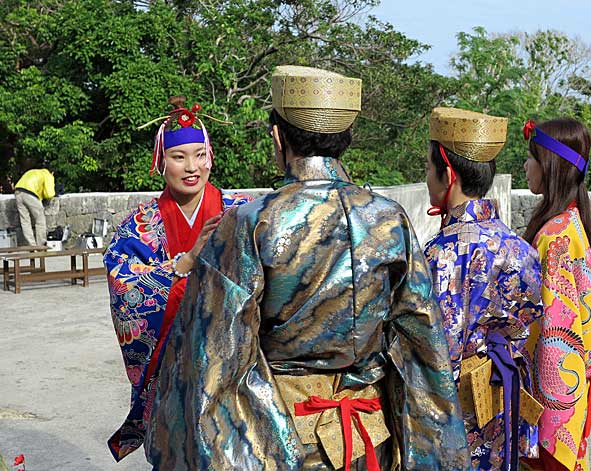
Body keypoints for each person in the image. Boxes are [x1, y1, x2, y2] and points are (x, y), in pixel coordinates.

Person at [146, 66, 471, 470]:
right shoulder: (390, 219)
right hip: (372, 436)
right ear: (345, 140)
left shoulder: (251, 222)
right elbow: (423, 342)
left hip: (282, 438)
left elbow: (214, 355)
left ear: (278, 138)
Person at [104, 96, 252, 462]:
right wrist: (184, 264)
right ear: (161, 161)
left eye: (199, 155)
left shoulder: (242, 212)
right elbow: (125, 288)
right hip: (170, 371)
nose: (192, 167)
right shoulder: (138, 227)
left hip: (232, 369)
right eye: (179, 156)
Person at [423, 107, 543, 471]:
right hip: (504, 396)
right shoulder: (522, 249)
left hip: (458, 411)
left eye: (428, 169)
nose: (427, 178)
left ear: (447, 174)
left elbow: (433, 353)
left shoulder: (439, 254)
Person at [519, 118, 591, 471]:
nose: (526, 166)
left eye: (531, 158)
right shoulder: (575, 226)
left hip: (557, 397)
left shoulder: (555, 236)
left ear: (549, 165)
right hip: (576, 389)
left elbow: (554, 338)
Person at [14, 163, 56, 246]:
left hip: (18, 192)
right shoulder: (47, 174)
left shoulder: (32, 171)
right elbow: (49, 194)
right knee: (40, 219)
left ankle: (32, 246)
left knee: (25, 222)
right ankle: (41, 245)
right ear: (52, 172)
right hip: (30, 194)